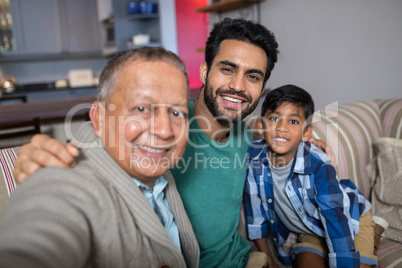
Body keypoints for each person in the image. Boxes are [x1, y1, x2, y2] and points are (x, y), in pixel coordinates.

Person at [12, 18, 331, 267]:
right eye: (227, 69)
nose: (237, 86)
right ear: (205, 71)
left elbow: (276, 136)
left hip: (244, 257)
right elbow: (103, 136)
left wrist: (303, 140)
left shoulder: (246, 133)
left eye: (252, 76)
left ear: (262, 87)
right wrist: (51, 153)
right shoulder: (166, 134)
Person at [0, 47, 200, 267]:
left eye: (176, 113)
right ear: (99, 119)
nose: (165, 130)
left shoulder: (157, 170)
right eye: (141, 108)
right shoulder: (71, 185)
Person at [243, 84, 379, 268]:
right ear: (261, 125)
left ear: (306, 132)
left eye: (293, 121)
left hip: (347, 221)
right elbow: (255, 213)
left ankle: (374, 231)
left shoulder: (318, 163)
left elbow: (334, 218)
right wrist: (268, 258)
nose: (281, 128)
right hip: (310, 231)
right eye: (275, 118)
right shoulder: (254, 158)